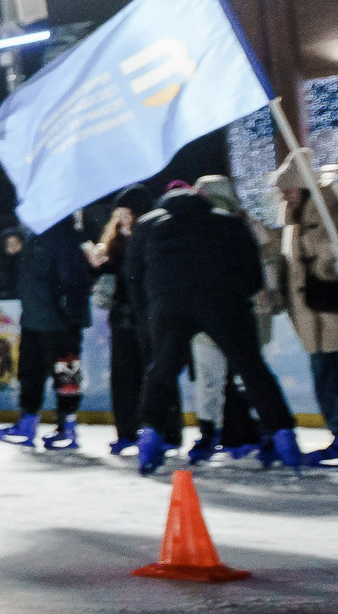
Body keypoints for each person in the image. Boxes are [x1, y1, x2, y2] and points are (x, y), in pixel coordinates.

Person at [127, 179, 304, 472]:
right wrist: (235, 296)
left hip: (168, 303)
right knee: (252, 368)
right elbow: (251, 272)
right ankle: (285, 438)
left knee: (161, 371)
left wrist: (147, 310)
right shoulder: (227, 221)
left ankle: (149, 437)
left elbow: (133, 273)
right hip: (222, 302)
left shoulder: (148, 225)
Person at [277, 151, 338, 468]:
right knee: (324, 378)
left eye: (290, 190)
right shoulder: (292, 219)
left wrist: (332, 254)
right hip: (312, 317)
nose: (285, 196)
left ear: (305, 187)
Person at [0, 218, 94, 450]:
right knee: (32, 373)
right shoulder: (34, 239)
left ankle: (66, 427)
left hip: (59, 322)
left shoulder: (62, 237)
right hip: (36, 318)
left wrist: (69, 316)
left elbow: (73, 282)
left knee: (65, 375)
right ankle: (29, 424)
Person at [83, 193, 148, 457]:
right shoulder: (114, 240)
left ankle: (159, 431)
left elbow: (138, 272)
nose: (122, 219)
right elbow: (109, 276)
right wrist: (96, 265)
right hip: (121, 316)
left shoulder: (149, 234)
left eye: (127, 213)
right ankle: (126, 433)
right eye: (119, 214)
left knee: (151, 374)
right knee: (123, 377)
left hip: (146, 314)